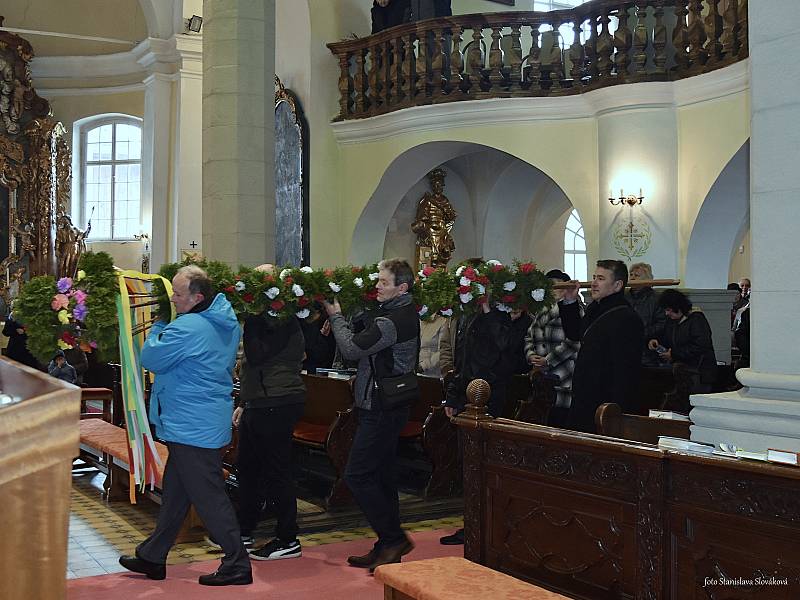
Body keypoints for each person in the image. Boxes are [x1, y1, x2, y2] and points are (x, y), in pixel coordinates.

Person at [118, 265, 252, 586]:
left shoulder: (190, 326)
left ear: (197, 297)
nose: (172, 298)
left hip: (192, 425)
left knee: (208, 497)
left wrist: (159, 325)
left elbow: (151, 358)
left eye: (177, 294)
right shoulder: (224, 321)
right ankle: (154, 555)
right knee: (177, 493)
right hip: (201, 420)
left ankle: (237, 562)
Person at [324, 258, 419, 572]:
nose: (376, 286)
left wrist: (336, 317)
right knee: (381, 475)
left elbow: (352, 350)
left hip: (381, 406)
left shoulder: (393, 320)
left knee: (357, 474)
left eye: (383, 282)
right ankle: (385, 545)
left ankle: (393, 538)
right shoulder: (394, 313)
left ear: (401, 287)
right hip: (385, 404)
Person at [234, 263, 306, 561]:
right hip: (258, 400)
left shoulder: (283, 319)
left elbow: (256, 353)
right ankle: (244, 530)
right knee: (247, 469)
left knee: (277, 472)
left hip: (278, 401)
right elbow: (252, 365)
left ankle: (288, 538)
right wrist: (243, 402)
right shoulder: (264, 317)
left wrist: (251, 318)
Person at [559, 260, 643, 433]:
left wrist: (615, 409)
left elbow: (625, 369)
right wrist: (570, 302)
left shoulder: (627, 318)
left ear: (617, 285)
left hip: (604, 399)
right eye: (594, 277)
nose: (594, 283)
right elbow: (576, 333)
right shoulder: (595, 308)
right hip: (585, 394)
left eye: (601, 278)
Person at [525, 269, 581, 428]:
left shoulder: (573, 310)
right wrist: (531, 355)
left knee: (559, 419)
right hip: (541, 377)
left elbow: (574, 342)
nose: (552, 291)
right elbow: (529, 336)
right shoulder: (541, 311)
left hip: (563, 374)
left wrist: (548, 360)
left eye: (556, 287)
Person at [648, 289, 717, 396]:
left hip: (699, 372)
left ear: (678, 307)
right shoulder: (672, 321)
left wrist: (673, 354)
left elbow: (700, 346)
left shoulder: (696, 319)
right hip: (683, 371)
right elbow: (668, 339)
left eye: (669, 310)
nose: (667, 313)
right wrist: (657, 342)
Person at [626, 262, 666, 365]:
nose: (632, 278)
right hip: (626, 347)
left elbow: (662, 323)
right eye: (631, 275)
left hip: (647, 349)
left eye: (637, 275)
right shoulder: (624, 297)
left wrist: (642, 333)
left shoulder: (656, 298)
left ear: (646, 279)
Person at [3, 305, 42, 370]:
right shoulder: (13, 315)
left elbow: (39, 331)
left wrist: (26, 331)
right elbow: (5, 332)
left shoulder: (35, 315)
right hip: (15, 349)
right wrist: (15, 330)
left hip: (29, 349)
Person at [418, 313, 453, 378]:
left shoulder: (443, 321)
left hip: (434, 374)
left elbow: (444, 350)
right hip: (414, 373)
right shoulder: (418, 319)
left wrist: (423, 366)